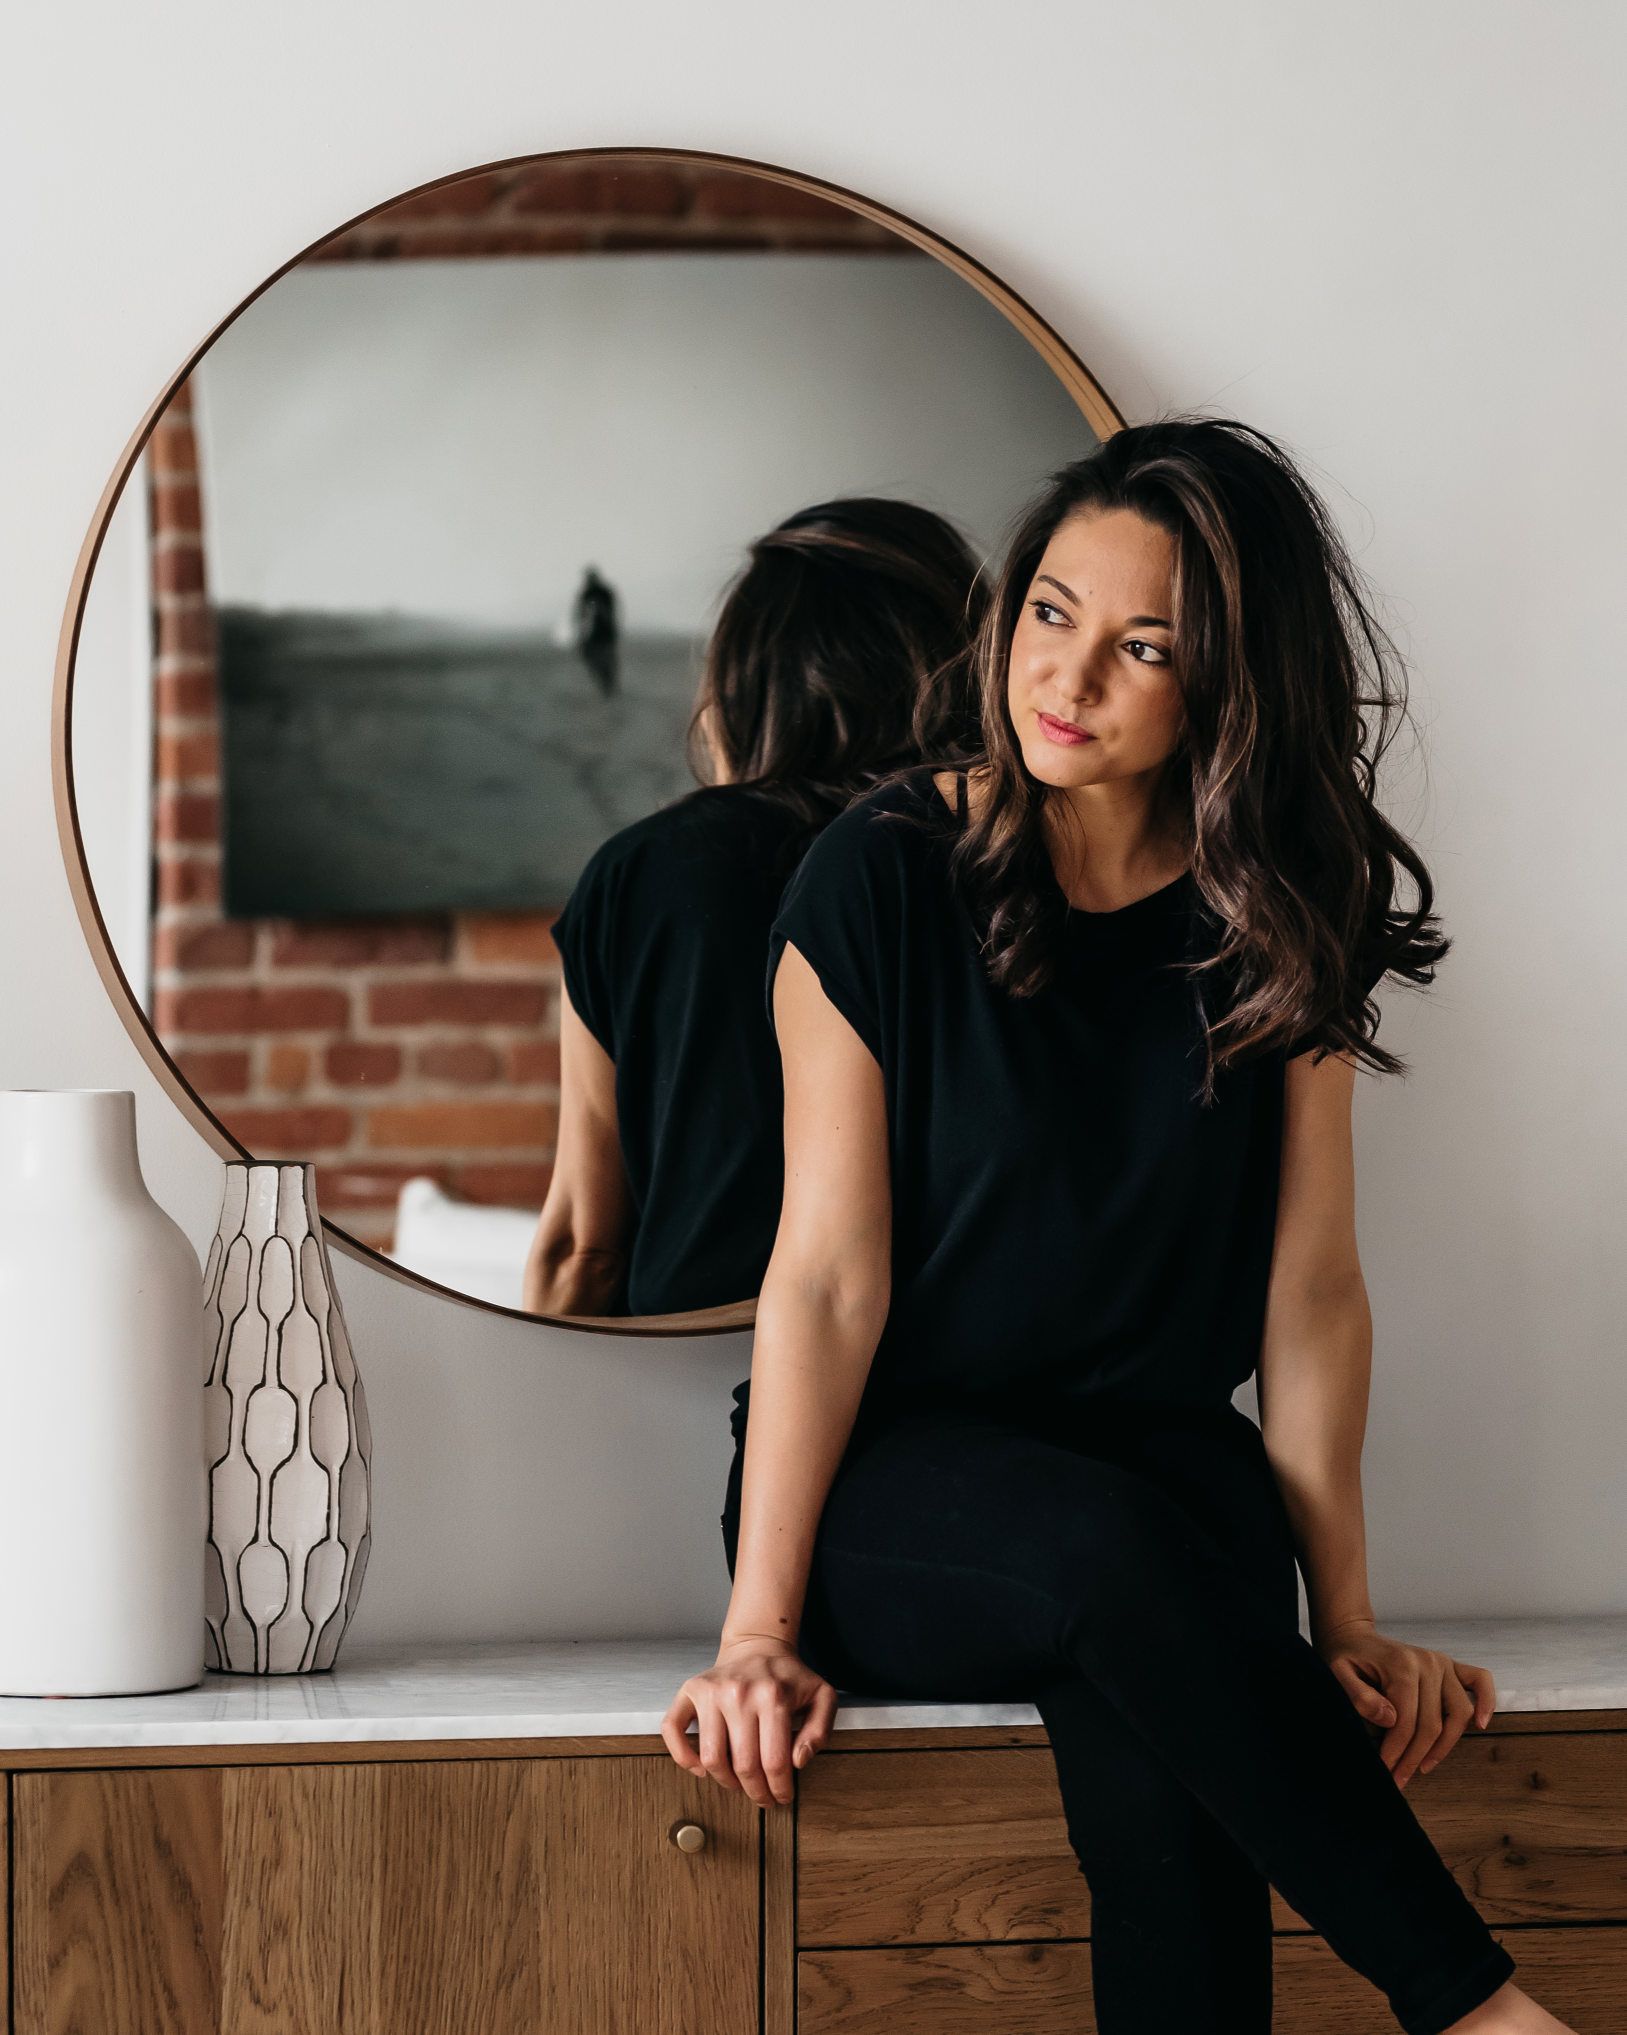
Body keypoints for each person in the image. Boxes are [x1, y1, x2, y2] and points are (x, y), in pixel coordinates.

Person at [662, 419, 1576, 2034]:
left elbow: (1308, 1292)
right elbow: (821, 1282)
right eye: (1048, 613)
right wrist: (756, 1629)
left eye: (1140, 646)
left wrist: (1346, 1616)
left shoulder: (1275, 912)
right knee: (1119, 1552)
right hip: (900, 1488)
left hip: (1156, 1486)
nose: (1065, 676)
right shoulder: (874, 880)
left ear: (1221, 685)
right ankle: (1480, 2014)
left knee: (1175, 1833)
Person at [523, 496, 986, 1318]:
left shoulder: (646, 871)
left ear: (740, 686)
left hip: (680, 1362)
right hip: (946, 1382)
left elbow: (584, 1245)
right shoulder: (1002, 863)